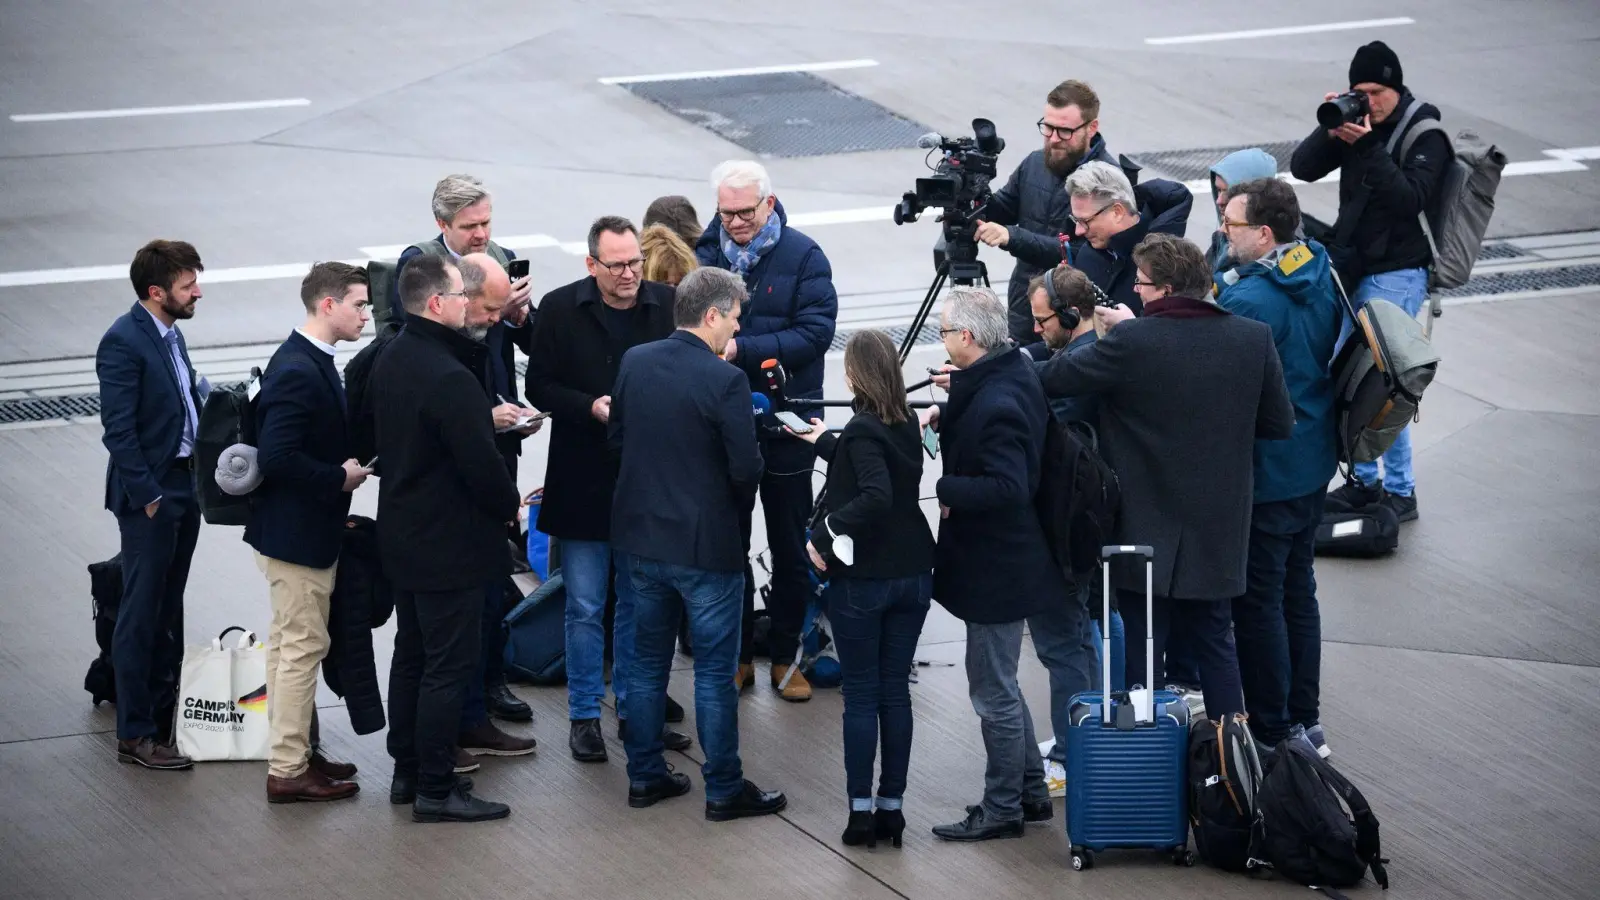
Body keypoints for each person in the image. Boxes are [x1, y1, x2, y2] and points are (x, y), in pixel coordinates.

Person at [1038, 234, 1294, 718]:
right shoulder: (1251, 338)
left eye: (1142, 283)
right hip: (1218, 526)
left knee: (1144, 646)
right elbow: (1278, 423)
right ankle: (1227, 762)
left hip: (1143, 527)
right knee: (1217, 643)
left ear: (1169, 288)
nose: (1135, 292)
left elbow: (1053, 378)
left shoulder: (1134, 341)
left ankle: (1149, 762)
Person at [610, 266, 787, 822]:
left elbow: (617, 439)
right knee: (713, 673)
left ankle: (643, 776)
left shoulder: (634, 363)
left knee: (643, 667)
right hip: (705, 547)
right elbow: (745, 468)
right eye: (733, 318)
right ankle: (724, 788)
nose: (735, 332)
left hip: (639, 538)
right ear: (711, 314)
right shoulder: (725, 381)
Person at [523, 217, 689, 763]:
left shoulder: (666, 304)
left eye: (635, 262)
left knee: (641, 607)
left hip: (646, 483)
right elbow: (539, 385)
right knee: (586, 606)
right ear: (591, 264)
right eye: (616, 265)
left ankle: (637, 712)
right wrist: (588, 406)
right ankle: (585, 717)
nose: (629, 274)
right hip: (584, 482)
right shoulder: (559, 310)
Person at [921, 287, 1077, 843]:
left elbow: (1008, 486)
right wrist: (952, 404)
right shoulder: (1007, 372)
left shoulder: (999, 400)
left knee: (992, 693)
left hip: (998, 568)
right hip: (1010, 562)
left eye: (943, 332)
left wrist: (947, 485)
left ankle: (1003, 807)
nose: (940, 340)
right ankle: (1031, 795)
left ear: (967, 337)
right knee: (1003, 687)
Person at [371, 255, 521, 823]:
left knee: (412, 658)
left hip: (404, 536)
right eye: (461, 295)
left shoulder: (392, 358)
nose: (468, 303)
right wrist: (510, 506)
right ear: (436, 303)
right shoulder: (451, 378)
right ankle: (437, 787)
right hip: (451, 547)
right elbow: (483, 470)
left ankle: (406, 773)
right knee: (448, 668)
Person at [783, 330, 936, 850]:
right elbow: (875, 460)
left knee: (862, 696)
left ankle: (860, 812)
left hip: (865, 579)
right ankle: (892, 809)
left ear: (856, 375)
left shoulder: (866, 430)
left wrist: (825, 531)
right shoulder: (904, 421)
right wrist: (824, 440)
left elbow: (874, 492)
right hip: (913, 572)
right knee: (895, 693)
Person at [695, 159, 839, 702]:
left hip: (786, 425)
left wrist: (742, 350)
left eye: (745, 211)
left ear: (769, 204)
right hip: (720, 424)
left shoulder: (804, 255)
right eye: (726, 212)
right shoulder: (704, 255)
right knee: (725, 546)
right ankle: (735, 658)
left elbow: (817, 332)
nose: (734, 222)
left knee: (789, 543)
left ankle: (786, 657)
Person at [1291, 41, 1451, 524]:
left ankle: (1401, 492)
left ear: (1396, 88)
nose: (1370, 102)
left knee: (1387, 385)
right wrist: (1332, 127)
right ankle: (1365, 482)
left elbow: (1409, 200)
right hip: (1356, 268)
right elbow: (1302, 167)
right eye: (1360, 93)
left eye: (1377, 92)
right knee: (1348, 379)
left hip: (1399, 274)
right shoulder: (1357, 124)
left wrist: (1365, 144)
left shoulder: (1426, 135)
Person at [1214, 178, 1341, 758]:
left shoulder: (1250, 301)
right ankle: (1304, 718)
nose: (1222, 231)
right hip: (1312, 459)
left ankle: (1272, 726)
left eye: (1232, 225)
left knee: (1258, 602)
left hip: (1267, 473)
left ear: (1263, 233)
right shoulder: (1317, 265)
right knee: (1298, 591)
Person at [245, 261, 372, 803]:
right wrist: (338, 478)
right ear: (328, 304)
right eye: (359, 304)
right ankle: (289, 770)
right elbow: (276, 456)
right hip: (297, 537)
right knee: (302, 648)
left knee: (287, 648)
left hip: (289, 533)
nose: (366, 314)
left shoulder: (306, 359)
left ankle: (294, 753)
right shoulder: (300, 368)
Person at [96, 240, 208, 771]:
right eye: (188, 286)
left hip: (185, 486)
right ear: (156, 291)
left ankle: (164, 719)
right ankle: (135, 733)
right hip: (154, 494)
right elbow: (118, 432)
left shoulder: (170, 333)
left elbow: (183, 406)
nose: (197, 293)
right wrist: (150, 498)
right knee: (141, 613)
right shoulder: (123, 341)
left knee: (170, 606)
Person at [1022, 265, 1122, 746]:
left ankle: (1072, 748)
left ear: (1071, 314)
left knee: (1067, 643)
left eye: (1043, 322)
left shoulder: (1081, 368)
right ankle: (1091, 735)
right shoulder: (1096, 350)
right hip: (1092, 516)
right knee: (1086, 633)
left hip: (1071, 523)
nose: (1037, 331)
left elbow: (1042, 429)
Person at [452, 253, 540, 761]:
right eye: (488, 310)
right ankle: (454, 735)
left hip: (490, 484)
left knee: (488, 603)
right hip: (458, 511)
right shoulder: (440, 354)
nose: (493, 318)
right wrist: (489, 418)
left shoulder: (475, 338)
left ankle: (480, 704)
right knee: (459, 625)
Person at [973, 80, 1121, 345]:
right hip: (1024, 312)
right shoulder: (1033, 163)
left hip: (1071, 319)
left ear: (1091, 128)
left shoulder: (1106, 180)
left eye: (1064, 131)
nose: (1053, 139)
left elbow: (1079, 253)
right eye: (1048, 127)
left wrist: (1012, 237)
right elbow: (1002, 210)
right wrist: (974, 193)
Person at [1064, 161, 1193, 314]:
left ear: (1117, 212)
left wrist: (1129, 329)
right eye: (1076, 221)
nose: (1078, 231)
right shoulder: (1088, 254)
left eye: (1085, 221)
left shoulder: (1167, 264)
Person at [1206, 148, 1281, 273]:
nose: (1219, 200)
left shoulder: (1267, 251)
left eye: (1228, 191)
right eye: (1218, 190)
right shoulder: (1223, 238)